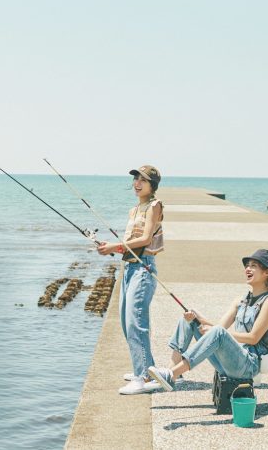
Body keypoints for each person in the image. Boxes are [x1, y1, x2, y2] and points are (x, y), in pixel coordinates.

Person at [149, 249, 268, 391]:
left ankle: (172, 374)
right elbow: (219, 329)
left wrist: (215, 330)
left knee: (217, 331)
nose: (247, 269)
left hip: (249, 365)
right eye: (247, 266)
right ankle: (172, 370)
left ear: (267, 272)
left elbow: (253, 338)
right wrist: (201, 319)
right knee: (190, 320)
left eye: (253, 266)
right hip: (230, 360)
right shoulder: (241, 301)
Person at [97, 165, 164, 394]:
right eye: (135, 179)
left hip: (144, 269)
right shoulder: (134, 209)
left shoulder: (155, 206)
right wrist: (111, 248)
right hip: (129, 268)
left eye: (142, 180)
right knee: (127, 324)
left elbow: (145, 239)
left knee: (137, 324)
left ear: (152, 185)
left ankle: (144, 377)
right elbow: (130, 245)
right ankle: (146, 368)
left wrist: (115, 246)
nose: (136, 183)